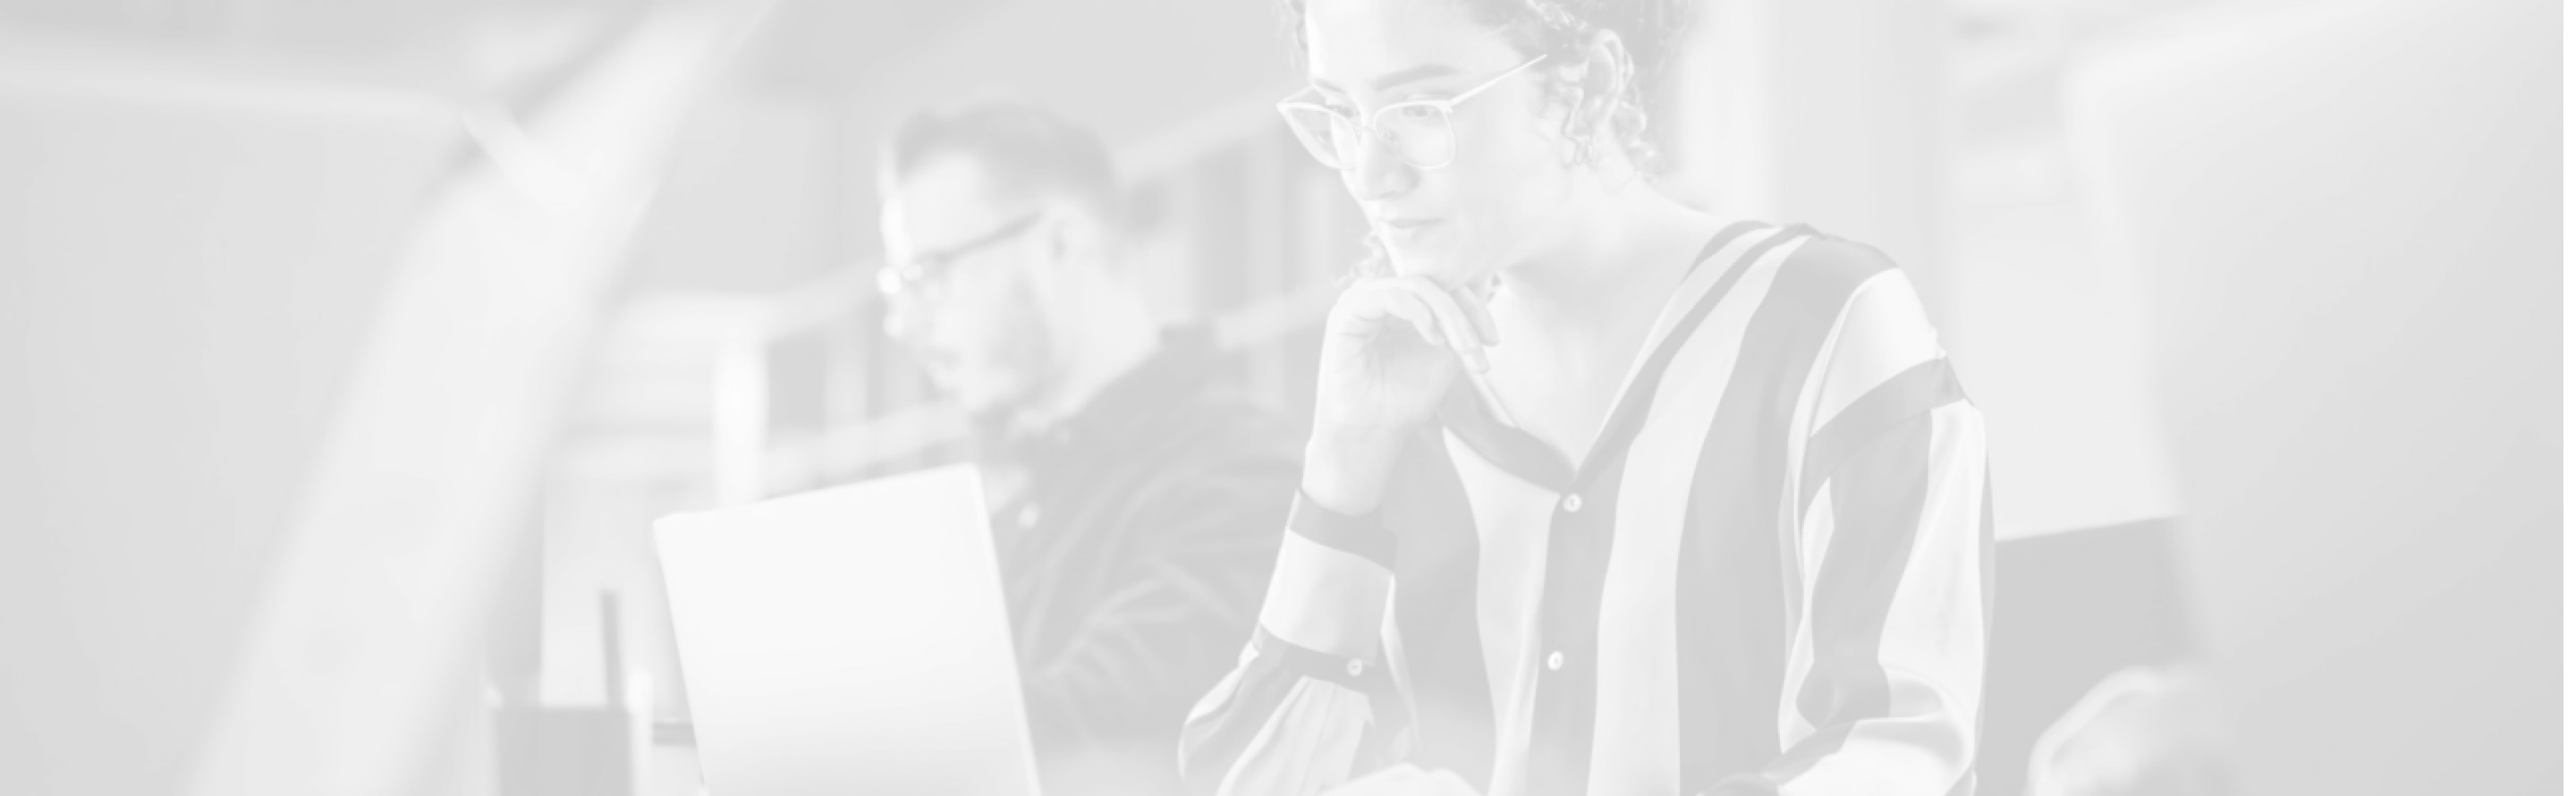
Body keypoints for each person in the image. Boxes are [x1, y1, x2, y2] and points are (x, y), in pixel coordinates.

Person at [1178, 1, 1994, 795]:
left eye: (1420, 107)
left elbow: (1899, 747)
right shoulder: (1405, 407)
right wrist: (1344, 463)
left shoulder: (1824, 325)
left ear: (1588, 83)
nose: (1367, 172)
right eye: (1340, 115)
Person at [873, 88, 1303, 794]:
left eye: (930, 274)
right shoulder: (1021, 515)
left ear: (1061, 245)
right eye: (900, 286)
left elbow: (1096, 736)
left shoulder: (1246, 479)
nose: (905, 323)